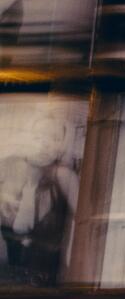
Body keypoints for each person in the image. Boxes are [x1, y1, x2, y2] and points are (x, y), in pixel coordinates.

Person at [0, 108, 76, 283]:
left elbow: (86, 225)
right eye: (39, 135)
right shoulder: (9, 173)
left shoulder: (63, 177)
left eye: (55, 138)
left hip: (45, 288)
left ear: (60, 147)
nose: (45, 143)